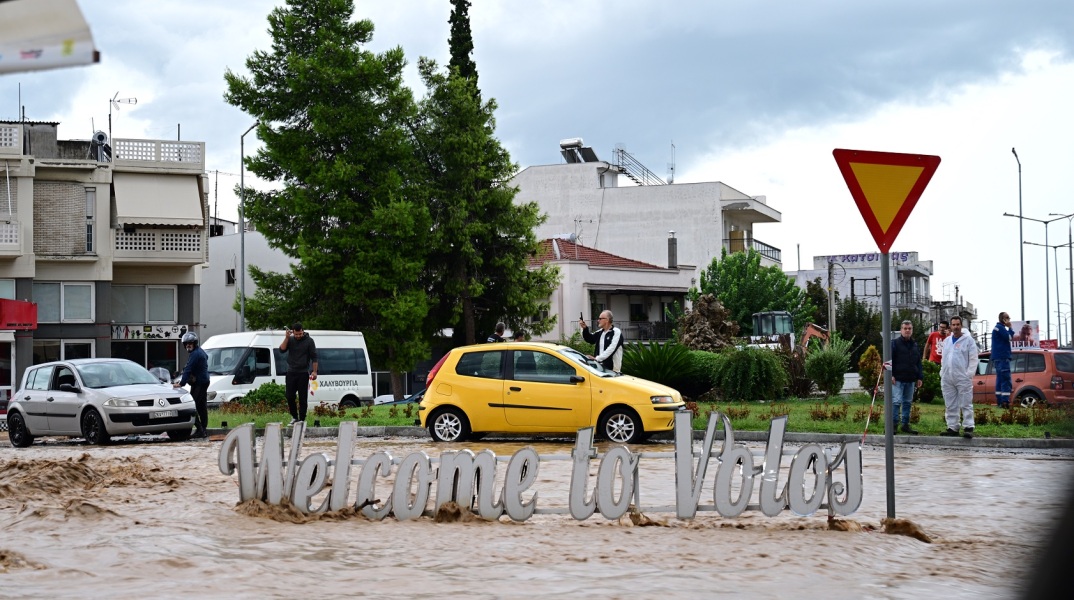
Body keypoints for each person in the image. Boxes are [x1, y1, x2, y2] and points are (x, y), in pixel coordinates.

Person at [940, 315, 979, 439]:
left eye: (958, 324)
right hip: (947, 377)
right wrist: (942, 372)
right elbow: (944, 358)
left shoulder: (968, 341)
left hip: (962, 377)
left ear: (961, 326)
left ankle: (968, 427)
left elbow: (973, 359)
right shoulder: (946, 341)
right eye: (953, 325)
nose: (956, 327)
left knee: (966, 402)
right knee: (950, 403)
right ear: (950, 326)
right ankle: (952, 427)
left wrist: (969, 374)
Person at [279, 322, 318, 425]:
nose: (298, 336)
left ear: (302, 331)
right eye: (296, 334)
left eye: (300, 334)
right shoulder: (290, 340)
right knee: (289, 396)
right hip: (291, 372)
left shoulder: (309, 341)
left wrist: (314, 371)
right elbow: (281, 350)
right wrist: (287, 338)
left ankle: (301, 419)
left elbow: (314, 357)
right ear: (293, 332)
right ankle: (294, 417)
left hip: (303, 373)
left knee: (302, 397)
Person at [889, 320, 923, 434]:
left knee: (907, 402)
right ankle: (893, 425)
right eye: (905, 328)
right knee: (896, 402)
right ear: (901, 330)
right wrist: (891, 375)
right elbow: (889, 360)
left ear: (912, 330)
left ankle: (905, 425)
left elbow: (918, 362)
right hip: (897, 378)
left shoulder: (914, 344)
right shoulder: (894, 343)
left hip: (910, 378)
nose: (907, 330)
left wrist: (920, 377)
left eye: (909, 328)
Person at [175, 332, 209, 438]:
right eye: (186, 344)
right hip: (203, 382)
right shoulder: (200, 352)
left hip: (199, 383)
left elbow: (188, 369)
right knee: (201, 406)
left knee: (192, 406)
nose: (188, 345)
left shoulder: (195, 354)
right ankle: (203, 429)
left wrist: (181, 383)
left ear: (194, 343)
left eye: (190, 343)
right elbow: (206, 358)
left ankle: (200, 430)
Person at [991, 312, 1015, 408]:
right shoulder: (1000, 328)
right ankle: (1005, 402)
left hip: (997, 357)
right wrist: (1010, 328)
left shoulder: (997, 328)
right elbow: (1009, 337)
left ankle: (1000, 401)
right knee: (1005, 379)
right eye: (1008, 318)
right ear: (1004, 319)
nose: (1009, 319)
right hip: (1002, 357)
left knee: (1000, 379)